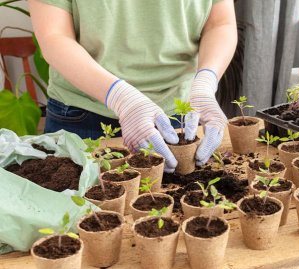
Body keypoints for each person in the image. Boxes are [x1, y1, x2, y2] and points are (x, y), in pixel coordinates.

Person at [28, 0, 237, 173]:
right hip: (84, 115)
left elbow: (219, 23)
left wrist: (205, 82)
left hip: (177, 117)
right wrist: (121, 97)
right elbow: (54, 35)